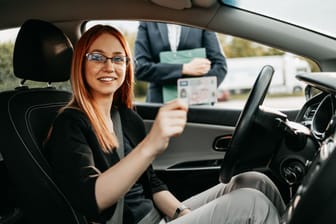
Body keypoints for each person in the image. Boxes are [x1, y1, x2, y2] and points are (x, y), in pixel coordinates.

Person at [43, 24, 285, 224]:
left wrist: (181, 214)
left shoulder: (127, 118)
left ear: (127, 67)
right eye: (97, 57)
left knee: (254, 181)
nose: (109, 66)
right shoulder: (69, 124)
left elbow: (152, 184)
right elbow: (91, 200)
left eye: (118, 59)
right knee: (252, 203)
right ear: (80, 63)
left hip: (158, 217)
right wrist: (150, 145)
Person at [134, 22, 228, 103]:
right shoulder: (148, 22)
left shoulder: (201, 20)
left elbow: (220, 66)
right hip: (158, 103)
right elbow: (140, 68)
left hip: (197, 103)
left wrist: (195, 92)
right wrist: (184, 68)